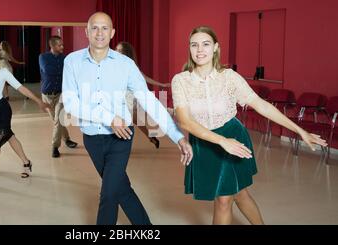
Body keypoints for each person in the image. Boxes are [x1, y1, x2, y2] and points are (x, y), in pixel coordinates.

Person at [171, 26, 327, 224]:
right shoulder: (181, 80)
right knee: (239, 194)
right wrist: (221, 141)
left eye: (206, 44)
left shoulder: (229, 77)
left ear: (216, 48)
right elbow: (185, 121)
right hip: (205, 141)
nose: (199, 50)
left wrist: (299, 130)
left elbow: (261, 105)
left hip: (233, 137)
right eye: (194, 45)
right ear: (190, 49)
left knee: (224, 199)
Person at [62, 12, 192, 225]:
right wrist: (108, 118)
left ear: (112, 33)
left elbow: (149, 101)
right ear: (86, 32)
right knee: (121, 188)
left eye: (105, 28)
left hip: (121, 137)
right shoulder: (72, 61)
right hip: (92, 138)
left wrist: (177, 136)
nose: (99, 33)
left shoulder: (126, 64)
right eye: (94, 27)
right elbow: (70, 103)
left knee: (109, 194)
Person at [0, 42, 50, 191]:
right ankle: (26, 162)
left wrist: (38, 100)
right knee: (9, 136)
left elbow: (21, 88)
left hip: (2, 110)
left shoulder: (3, 71)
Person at [115, 41, 171, 148]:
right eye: (116, 49)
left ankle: (121, 144)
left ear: (126, 53)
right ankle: (151, 137)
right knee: (136, 120)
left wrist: (161, 84)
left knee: (126, 119)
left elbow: (145, 78)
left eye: (120, 50)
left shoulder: (130, 66)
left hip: (128, 98)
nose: (116, 52)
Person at [39, 35, 78, 158]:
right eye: (59, 45)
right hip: (47, 95)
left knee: (58, 120)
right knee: (57, 121)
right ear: (52, 46)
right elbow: (47, 70)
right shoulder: (43, 57)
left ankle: (55, 147)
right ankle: (67, 139)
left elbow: (70, 72)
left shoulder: (65, 58)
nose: (62, 47)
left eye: (62, 44)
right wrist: (63, 70)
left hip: (62, 93)